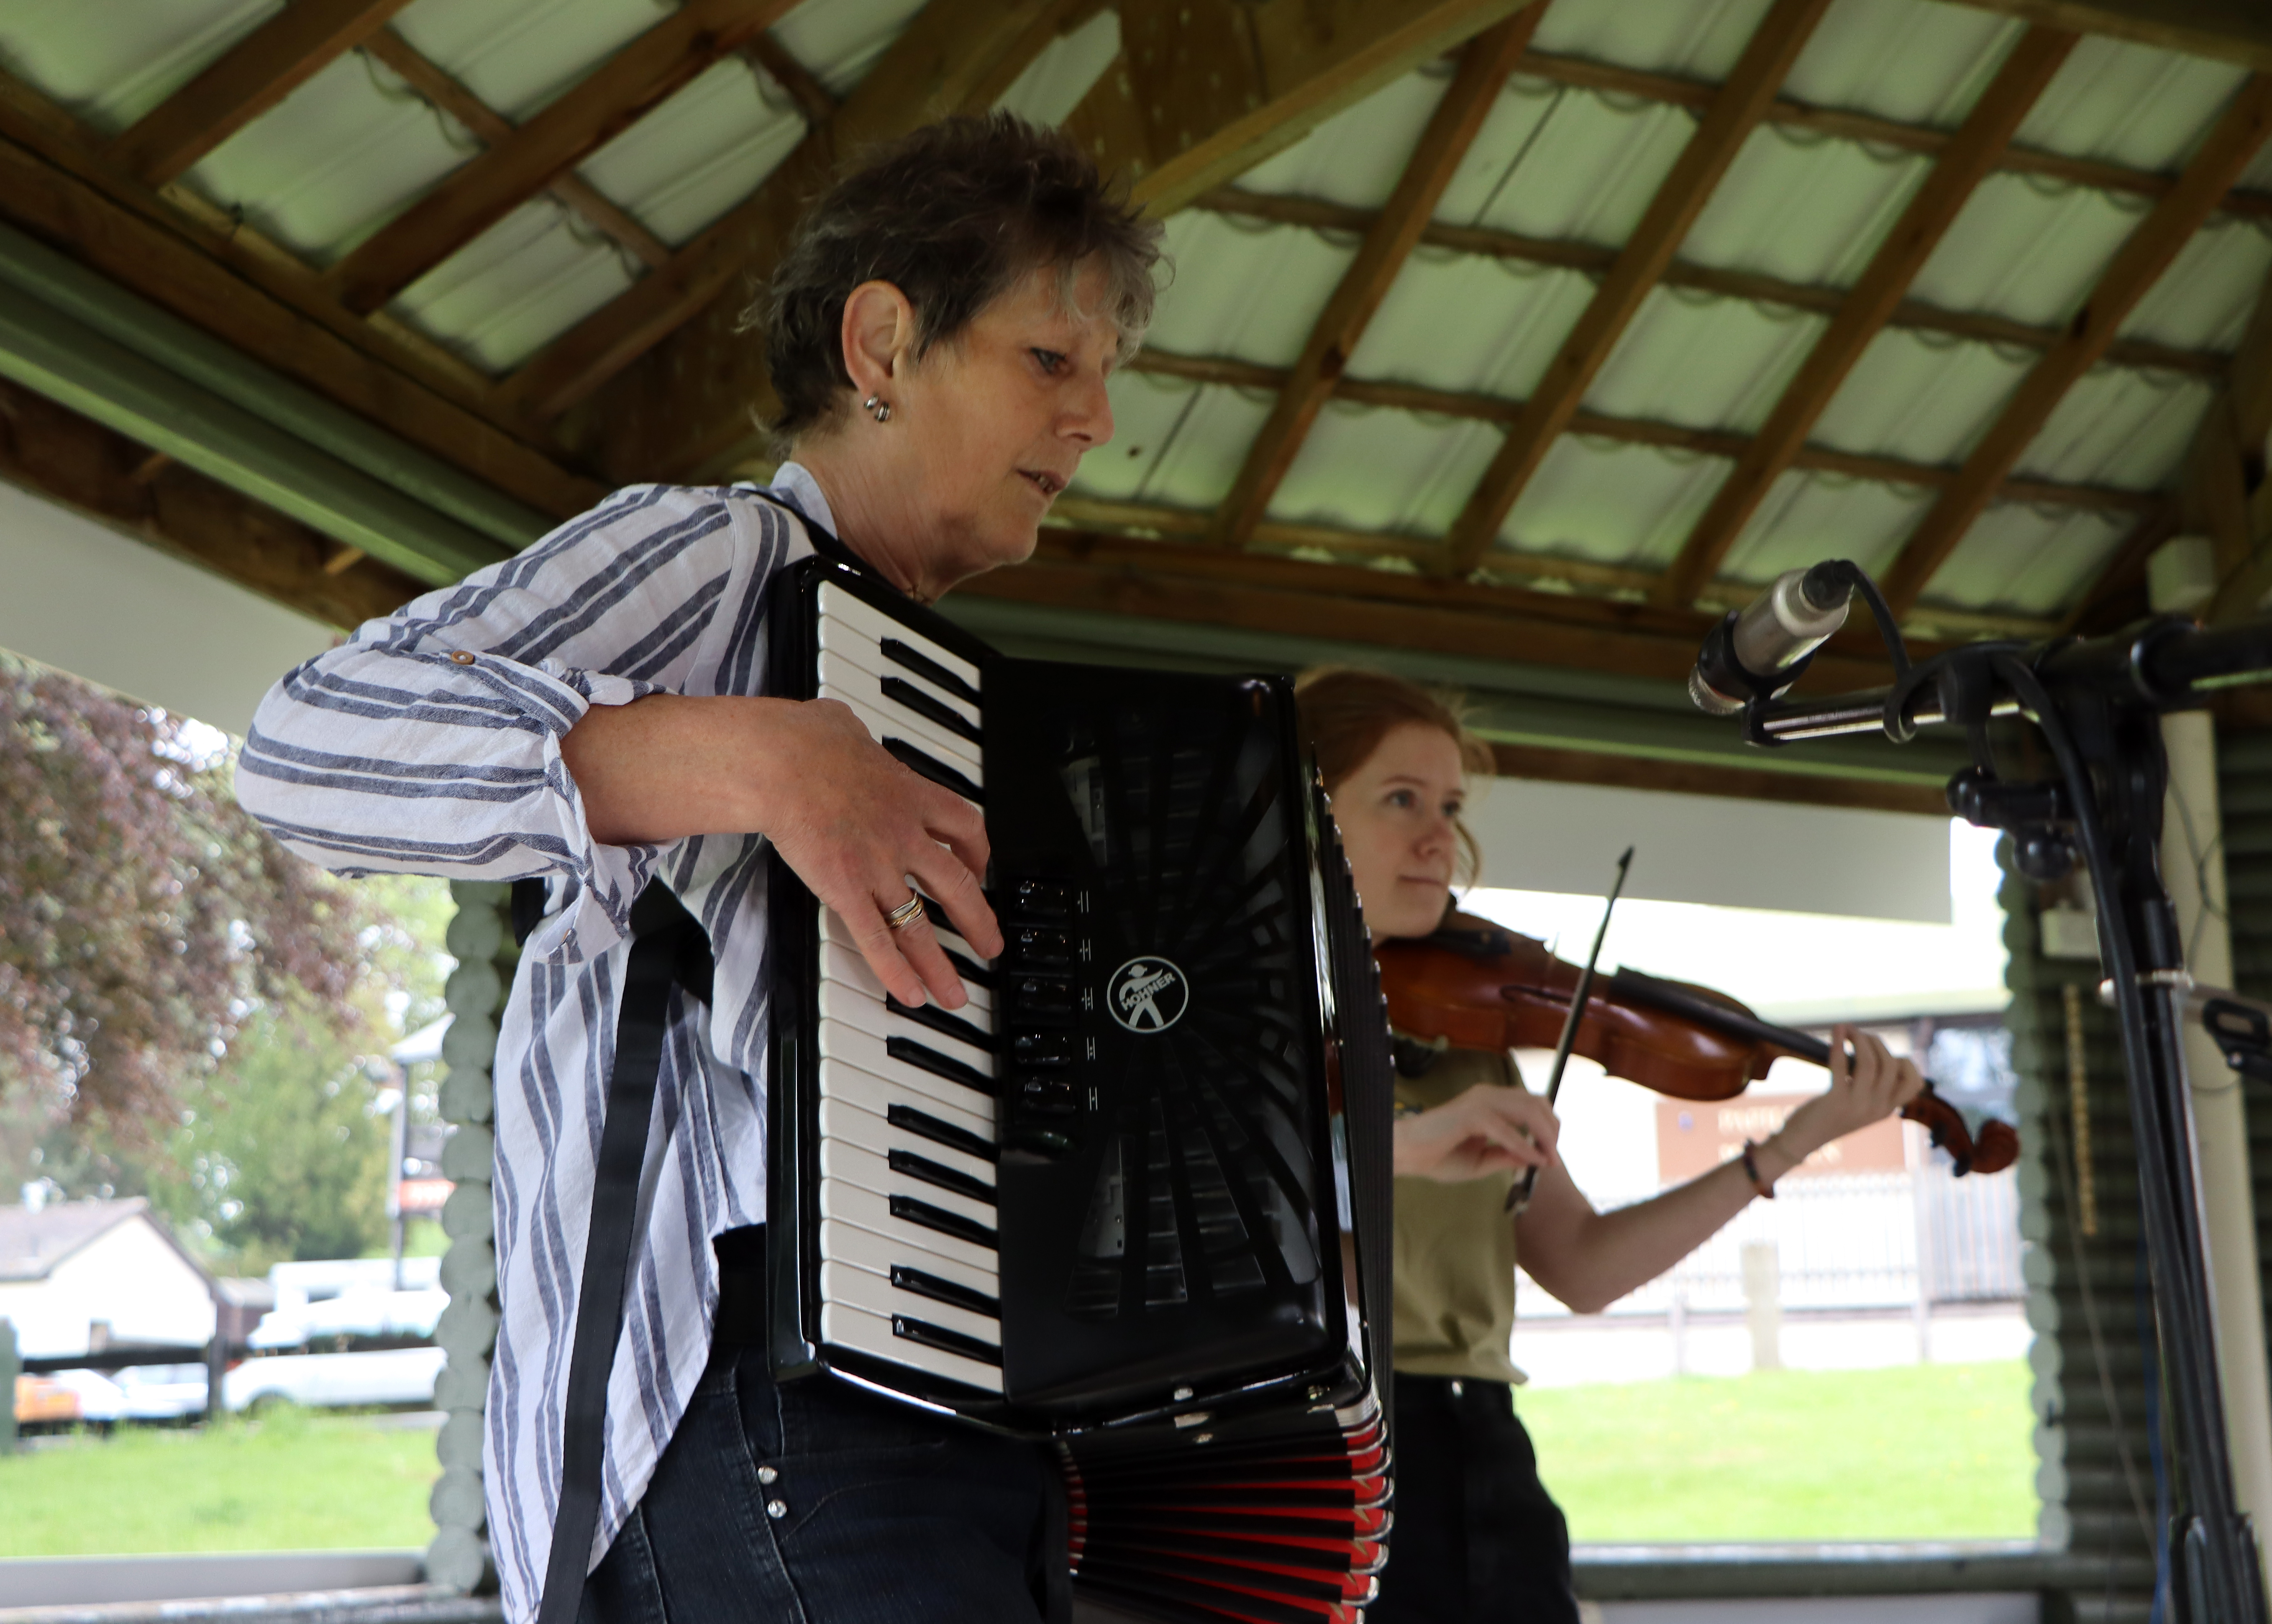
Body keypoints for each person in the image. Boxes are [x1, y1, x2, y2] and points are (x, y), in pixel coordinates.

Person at [236, 115, 1162, 1624]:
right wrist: (765, 760)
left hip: (962, 1428)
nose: (1097, 421)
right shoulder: (722, 559)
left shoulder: (967, 706)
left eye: (1104, 377)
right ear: (881, 342)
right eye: (1051, 362)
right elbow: (307, 744)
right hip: (749, 1406)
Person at [1296, 668, 1930, 1624]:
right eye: (1400, 800)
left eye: (1451, 805)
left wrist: (1789, 1145)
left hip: (1478, 1449)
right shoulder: (1246, 1025)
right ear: (1306, 813)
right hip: (1313, 1453)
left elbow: (1583, 1268)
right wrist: (1402, 1147)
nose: (1441, 839)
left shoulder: (1470, 1058)